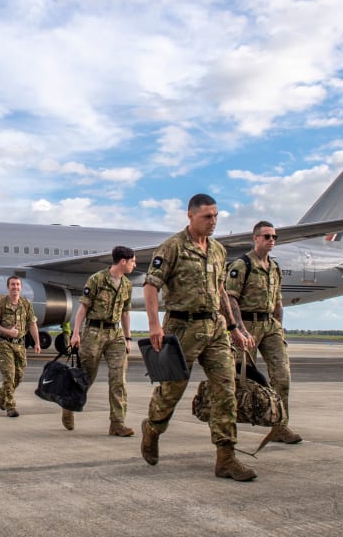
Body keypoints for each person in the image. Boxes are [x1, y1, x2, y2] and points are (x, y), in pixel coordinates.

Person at [139, 193, 258, 481]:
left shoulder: (217, 250)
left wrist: (233, 328)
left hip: (215, 329)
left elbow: (220, 292)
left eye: (216, 216)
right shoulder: (171, 248)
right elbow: (150, 287)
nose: (213, 221)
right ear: (190, 216)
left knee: (225, 390)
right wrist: (154, 325)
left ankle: (226, 458)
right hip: (181, 329)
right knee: (171, 392)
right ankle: (153, 429)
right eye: (207, 216)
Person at [226, 220, 301, 445]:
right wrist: (238, 328)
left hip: (270, 326)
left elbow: (277, 300)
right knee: (238, 378)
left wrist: (279, 328)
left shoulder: (274, 267)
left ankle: (280, 426)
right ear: (256, 238)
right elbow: (230, 297)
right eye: (267, 236)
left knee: (282, 376)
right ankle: (229, 426)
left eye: (274, 237)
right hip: (247, 325)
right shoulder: (242, 265)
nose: (271, 241)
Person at [66, 246, 136, 436]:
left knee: (118, 380)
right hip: (94, 333)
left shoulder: (127, 285)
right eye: (132, 261)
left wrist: (128, 338)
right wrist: (76, 333)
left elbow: (125, 312)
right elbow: (83, 309)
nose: (134, 264)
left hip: (116, 335)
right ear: (123, 261)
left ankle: (117, 423)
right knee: (86, 378)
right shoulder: (96, 279)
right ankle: (69, 406)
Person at [0, 276, 41, 417]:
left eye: (18, 284)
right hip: (4, 343)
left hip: (20, 345)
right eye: (12, 284)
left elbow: (32, 323)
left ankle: (1, 392)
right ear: (8, 287)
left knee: (19, 375)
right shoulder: (0, 304)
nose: (15, 287)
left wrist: (37, 342)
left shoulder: (26, 304)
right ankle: (10, 406)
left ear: (21, 287)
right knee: (9, 375)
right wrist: (8, 332)